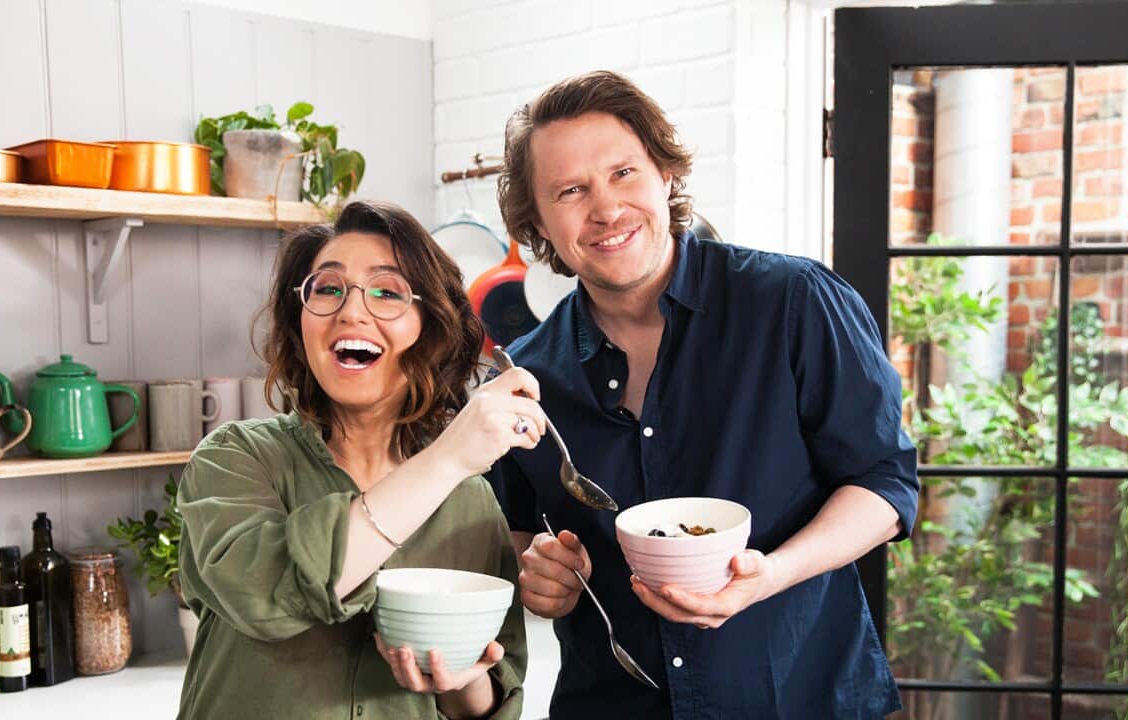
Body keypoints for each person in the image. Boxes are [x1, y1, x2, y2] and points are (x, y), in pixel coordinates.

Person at [485, 71, 920, 718]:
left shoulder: (794, 304)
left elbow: (885, 486)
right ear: (538, 223)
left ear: (666, 174)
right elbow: (518, 533)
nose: (605, 209)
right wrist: (540, 574)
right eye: (571, 190)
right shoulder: (524, 378)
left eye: (624, 173)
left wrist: (769, 575)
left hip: (801, 696)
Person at [176, 200, 549, 719]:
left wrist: (462, 682)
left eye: (388, 292)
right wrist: (447, 458)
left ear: (431, 329)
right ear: (300, 325)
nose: (351, 311)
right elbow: (265, 594)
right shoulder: (235, 458)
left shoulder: (470, 499)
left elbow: (492, 690)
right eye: (328, 289)